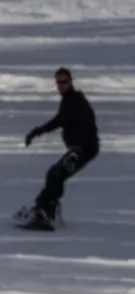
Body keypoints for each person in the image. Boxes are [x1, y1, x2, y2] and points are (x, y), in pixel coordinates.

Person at [18, 67, 99, 229]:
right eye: (58, 82)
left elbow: (85, 124)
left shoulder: (77, 101)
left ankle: (43, 209)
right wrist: (36, 132)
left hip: (83, 148)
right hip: (78, 149)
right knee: (55, 175)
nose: (61, 85)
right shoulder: (68, 102)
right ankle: (47, 209)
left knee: (56, 174)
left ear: (70, 82)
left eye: (64, 81)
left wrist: (76, 151)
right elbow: (57, 121)